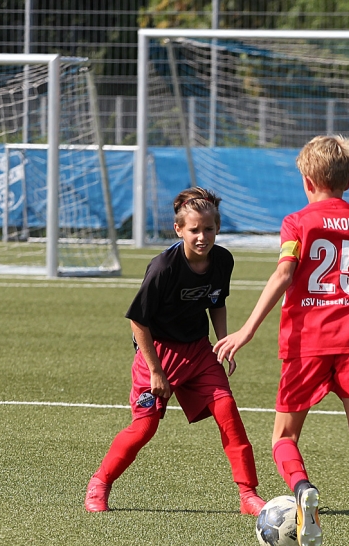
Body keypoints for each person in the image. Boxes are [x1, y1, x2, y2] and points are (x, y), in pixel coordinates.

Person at [213, 135, 349, 546]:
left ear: (306, 180)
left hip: (308, 345)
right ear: (348, 181)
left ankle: (302, 489)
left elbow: (285, 272)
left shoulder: (297, 222)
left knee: (284, 438)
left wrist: (246, 329)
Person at [85, 187, 267, 516]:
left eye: (208, 229)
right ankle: (100, 482)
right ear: (178, 229)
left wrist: (223, 343)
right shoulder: (163, 267)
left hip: (198, 352)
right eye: (194, 230)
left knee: (228, 413)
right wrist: (156, 371)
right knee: (144, 428)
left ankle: (248, 494)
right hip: (157, 354)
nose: (202, 236)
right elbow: (138, 322)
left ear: (218, 228)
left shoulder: (223, 260)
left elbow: (216, 302)